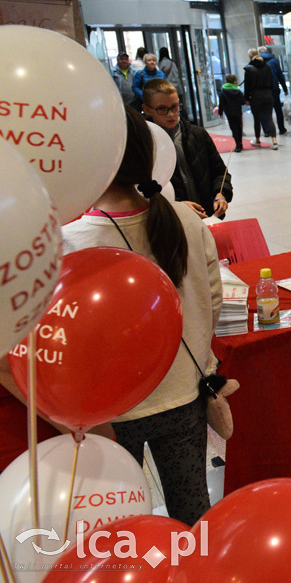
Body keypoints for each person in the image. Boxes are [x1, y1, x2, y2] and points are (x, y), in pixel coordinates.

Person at [60, 106, 222, 526]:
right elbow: (213, 300)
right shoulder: (188, 219)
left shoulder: (69, 243)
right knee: (191, 510)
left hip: (112, 414)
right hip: (185, 394)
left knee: (120, 521)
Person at [143, 79, 232, 219]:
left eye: (175, 106)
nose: (171, 114)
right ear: (147, 109)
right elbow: (142, 191)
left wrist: (221, 194)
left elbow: (220, 172)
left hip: (208, 215)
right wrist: (178, 205)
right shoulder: (144, 143)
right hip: (171, 220)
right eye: (162, 109)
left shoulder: (198, 134)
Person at [243, 48, 278, 150]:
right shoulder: (267, 66)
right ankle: (274, 141)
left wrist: (247, 98)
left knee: (257, 119)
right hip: (268, 94)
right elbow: (272, 82)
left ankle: (258, 140)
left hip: (256, 95)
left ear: (250, 57)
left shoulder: (249, 69)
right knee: (269, 118)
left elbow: (247, 86)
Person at [258, 46, 289, 135]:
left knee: (263, 110)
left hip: (262, 89)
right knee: (278, 108)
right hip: (274, 88)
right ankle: (281, 128)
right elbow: (280, 75)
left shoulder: (255, 61)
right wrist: (285, 88)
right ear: (267, 51)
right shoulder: (274, 60)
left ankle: (267, 131)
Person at [216, 73, 246, 153]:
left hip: (229, 113)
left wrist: (220, 112)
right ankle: (240, 142)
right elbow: (243, 102)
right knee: (239, 127)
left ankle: (238, 144)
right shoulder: (238, 91)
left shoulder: (223, 92)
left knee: (233, 128)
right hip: (238, 112)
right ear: (234, 82)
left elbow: (221, 103)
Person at [158, 47, 188, 122]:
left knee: (172, 107)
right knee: (180, 105)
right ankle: (185, 120)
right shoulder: (172, 63)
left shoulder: (161, 64)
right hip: (178, 87)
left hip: (169, 89)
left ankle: (178, 121)